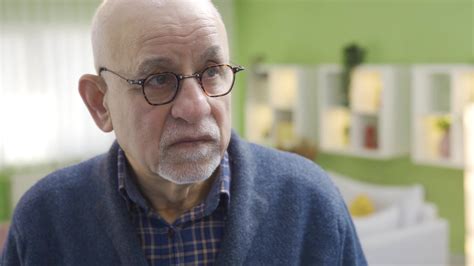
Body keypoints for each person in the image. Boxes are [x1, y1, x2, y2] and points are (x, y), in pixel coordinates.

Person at [1, 0, 366, 265]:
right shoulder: (46, 218)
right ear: (100, 102)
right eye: (158, 79)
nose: (196, 107)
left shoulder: (310, 201)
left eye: (212, 71)